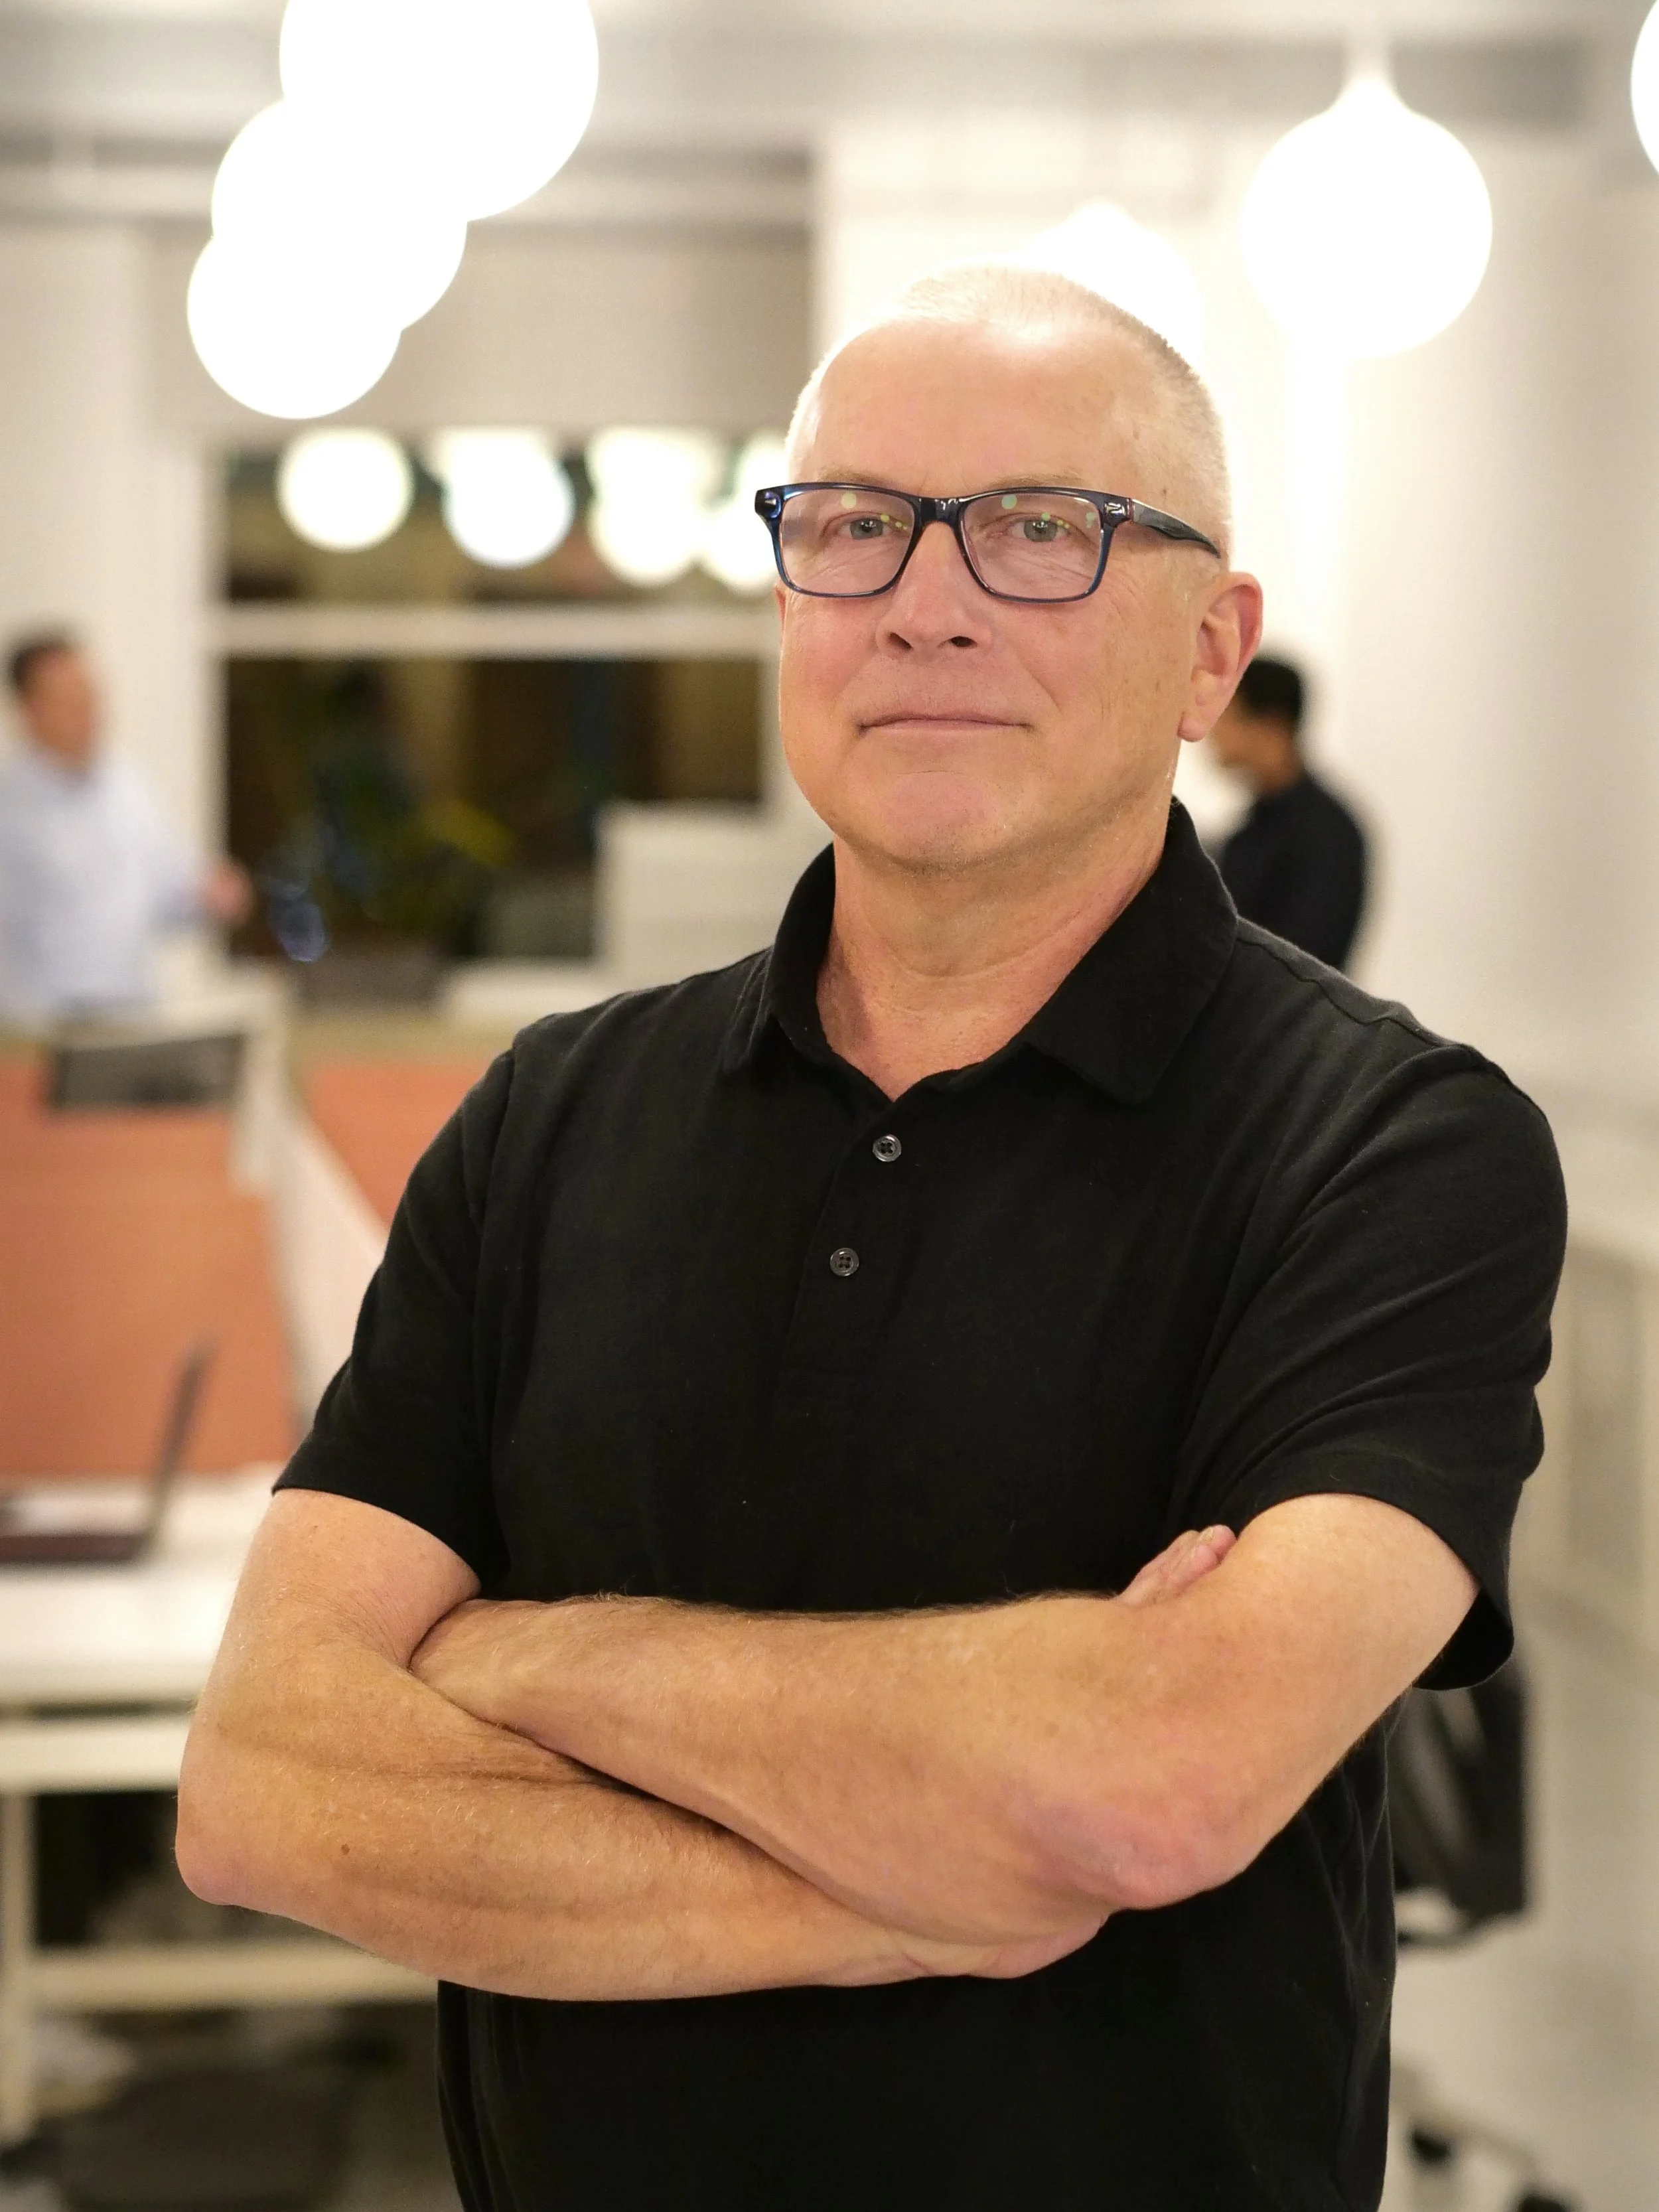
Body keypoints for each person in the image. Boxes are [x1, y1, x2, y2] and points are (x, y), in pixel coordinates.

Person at [177, 266, 1565, 2212]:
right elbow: (265, 1788)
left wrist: (519, 1658)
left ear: (1207, 649)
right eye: (849, 528)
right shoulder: (548, 1120)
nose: (924, 599)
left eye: (1036, 531)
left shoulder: (1394, 1150)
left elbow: (1155, 1777)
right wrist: (934, 1884)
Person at [0, 632, 250, 1025]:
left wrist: (211, 893)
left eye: (92, 697)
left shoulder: (128, 788)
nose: (89, 713)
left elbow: (173, 893)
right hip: (40, 1032)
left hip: (132, 1016)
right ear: (31, 711)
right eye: (72, 701)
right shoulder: (9, 810)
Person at [1210, 652, 1368, 968]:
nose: (1213, 730)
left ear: (1271, 726)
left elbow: (1306, 963)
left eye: (1228, 714)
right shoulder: (1254, 827)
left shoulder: (1327, 836)